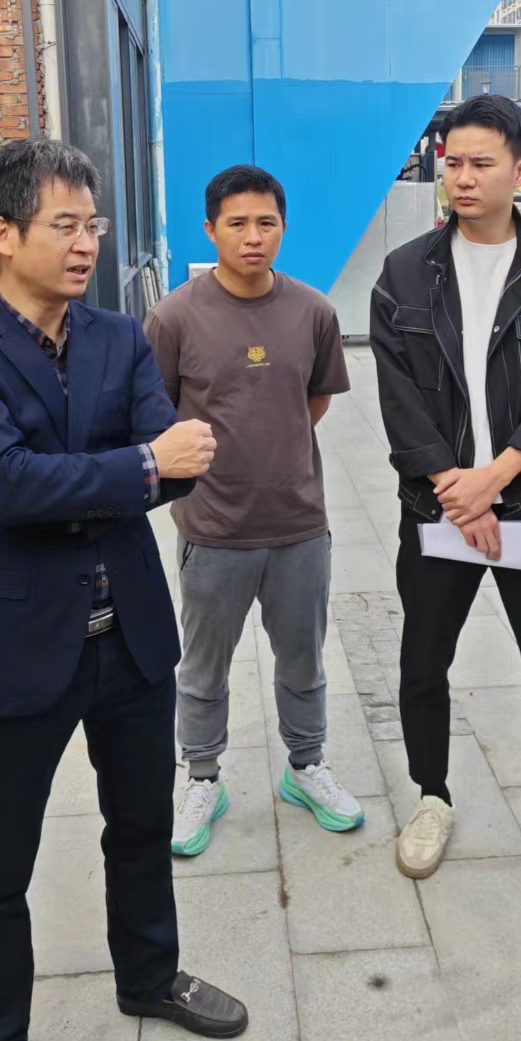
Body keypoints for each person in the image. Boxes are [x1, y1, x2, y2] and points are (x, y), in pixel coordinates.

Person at [0, 138, 248, 1041]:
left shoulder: (119, 337)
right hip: (19, 646)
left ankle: (150, 975)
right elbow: (6, 485)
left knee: (140, 827)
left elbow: (180, 464)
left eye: (92, 224)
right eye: (65, 224)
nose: (87, 242)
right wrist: (137, 464)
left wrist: (123, 469)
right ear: (4, 233)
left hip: (130, 634)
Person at [370, 94, 521, 889]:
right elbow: (399, 396)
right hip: (435, 508)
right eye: (453, 163)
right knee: (422, 661)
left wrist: (494, 480)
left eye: (481, 163)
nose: (464, 178)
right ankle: (431, 795)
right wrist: (454, 487)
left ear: (519, 168)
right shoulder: (406, 272)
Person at [143, 164, 360, 856]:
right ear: (210, 229)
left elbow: (314, 399)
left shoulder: (314, 312)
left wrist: (275, 447)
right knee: (204, 667)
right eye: (236, 223)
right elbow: (156, 415)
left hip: (299, 523)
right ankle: (202, 776)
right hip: (213, 527)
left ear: (283, 228)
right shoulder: (174, 317)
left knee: (303, 660)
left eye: (266, 222)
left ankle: (306, 765)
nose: (253, 236)